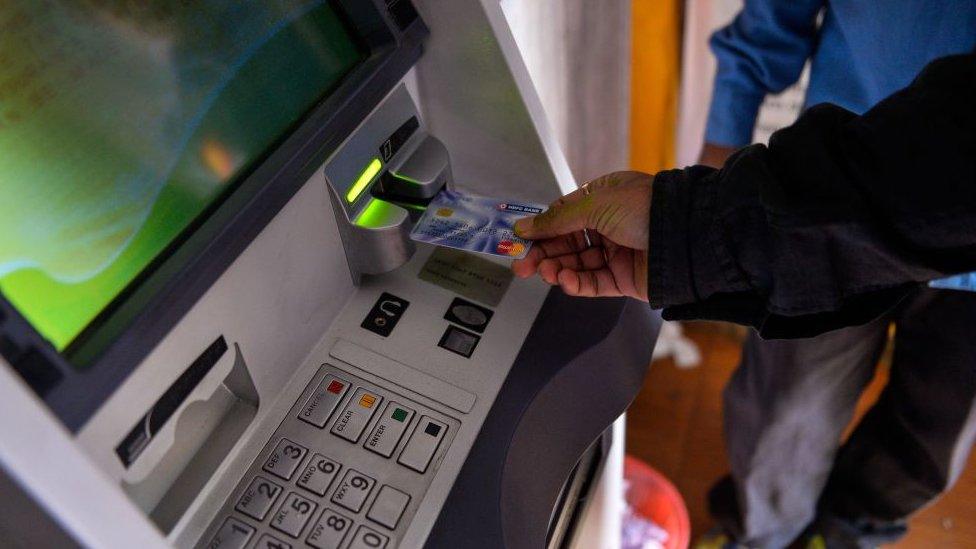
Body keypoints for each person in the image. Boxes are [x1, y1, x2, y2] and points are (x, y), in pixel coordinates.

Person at [511, 46, 976, 549]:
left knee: (931, 438)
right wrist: (691, 217)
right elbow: (767, 29)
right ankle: (756, 534)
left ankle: (845, 533)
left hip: (906, 251)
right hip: (832, 199)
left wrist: (691, 225)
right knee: (784, 412)